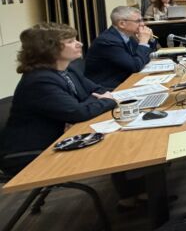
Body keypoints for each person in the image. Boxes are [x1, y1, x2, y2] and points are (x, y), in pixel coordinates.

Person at [1, 23, 117, 169]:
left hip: (64, 138)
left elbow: (98, 90)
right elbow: (79, 112)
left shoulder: (68, 70)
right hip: (33, 153)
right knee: (114, 149)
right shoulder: (39, 81)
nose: (80, 44)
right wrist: (107, 101)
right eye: (70, 41)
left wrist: (84, 106)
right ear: (49, 49)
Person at [84, 6, 157, 89]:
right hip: (108, 88)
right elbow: (135, 66)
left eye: (142, 20)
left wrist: (150, 39)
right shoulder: (108, 41)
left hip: (126, 79)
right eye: (138, 21)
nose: (142, 24)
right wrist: (143, 42)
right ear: (122, 24)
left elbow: (145, 56)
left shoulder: (127, 35)